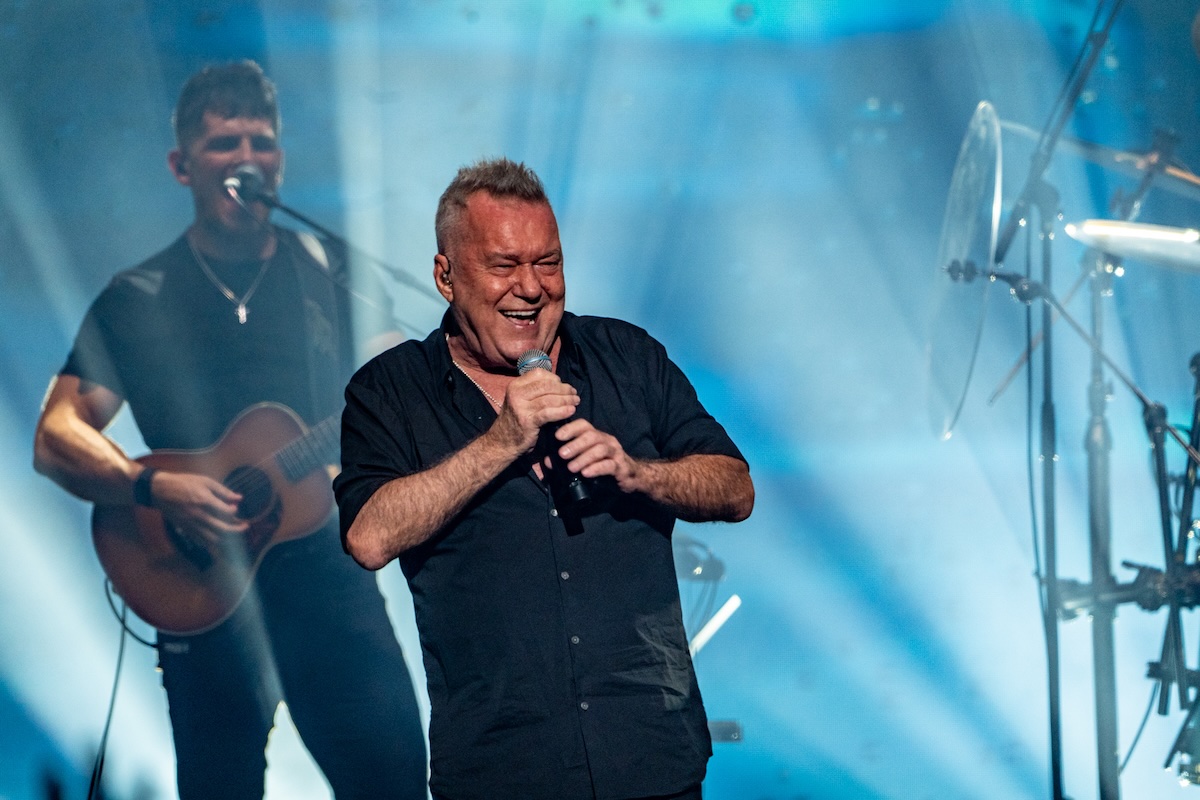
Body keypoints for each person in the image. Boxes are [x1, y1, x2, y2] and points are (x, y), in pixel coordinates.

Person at [33, 61, 427, 799]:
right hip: (197, 588)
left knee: (394, 782)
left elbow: (394, 391)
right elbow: (56, 434)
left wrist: (375, 449)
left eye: (261, 142)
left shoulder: (331, 269)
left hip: (327, 580)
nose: (247, 159)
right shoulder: (138, 297)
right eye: (224, 143)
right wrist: (152, 486)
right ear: (182, 165)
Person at [334, 157, 754, 800]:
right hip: (503, 769)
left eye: (548, 263)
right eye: (504, 266)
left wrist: (637, 473)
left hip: (650, 755)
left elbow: (735, 488)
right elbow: (368, 537)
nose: (530, 288)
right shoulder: (390, 391)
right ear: (446, 276)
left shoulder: (627, 357)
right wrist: (502, 440)